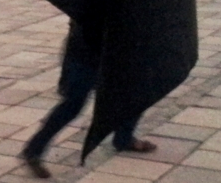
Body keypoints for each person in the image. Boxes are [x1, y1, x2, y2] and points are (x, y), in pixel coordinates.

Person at [21, 20, 156, 178]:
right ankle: (34, 149)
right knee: (72, 105)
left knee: (134, 92)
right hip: (86, 52)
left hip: (118, 50)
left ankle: (124, 138)